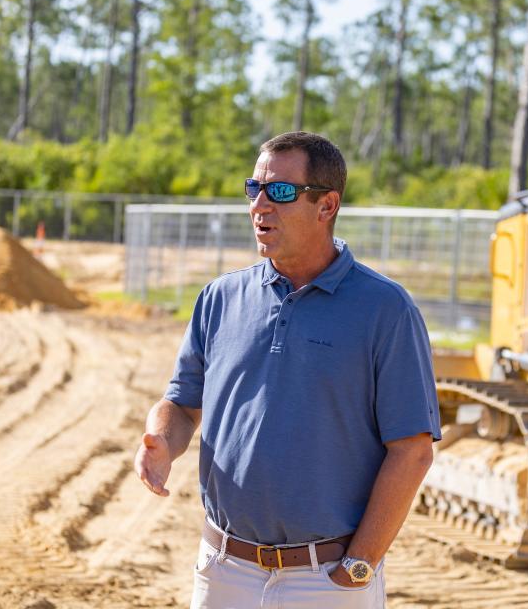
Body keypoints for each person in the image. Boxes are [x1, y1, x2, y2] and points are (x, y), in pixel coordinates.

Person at [133, 131, 441, 608]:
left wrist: (359, 565)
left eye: (279, 191)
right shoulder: (220, 298)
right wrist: (161, 442)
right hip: (223, 569)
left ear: (327, 205)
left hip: (326, 580)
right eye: (254, 189)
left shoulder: (385, 309)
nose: (260, 205)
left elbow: (412, 451)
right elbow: (181, 404)